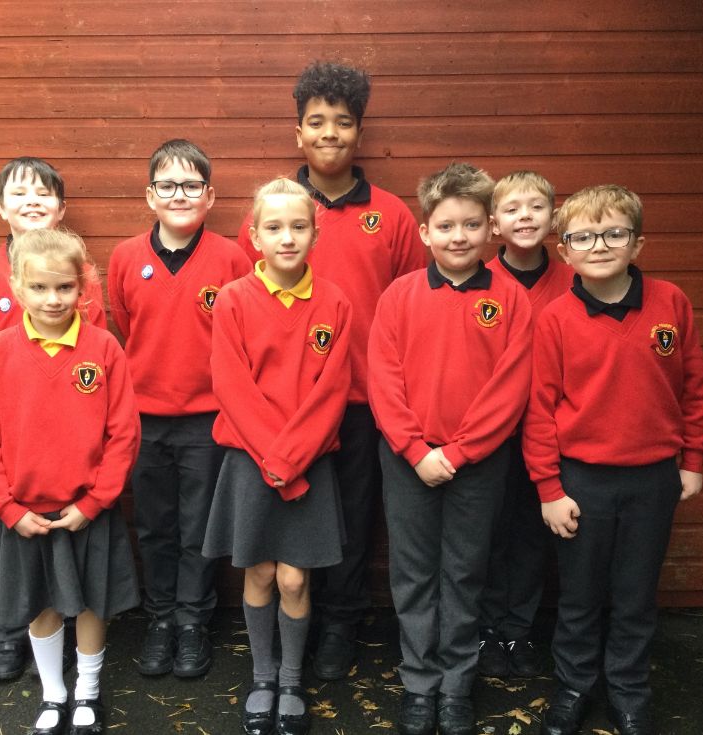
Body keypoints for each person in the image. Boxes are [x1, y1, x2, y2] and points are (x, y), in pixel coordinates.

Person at [237, 61, 426, 679]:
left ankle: (342, 622)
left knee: (348, 518)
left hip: (362, 401)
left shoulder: (392, 216)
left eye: (342, 122)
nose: (329, 133)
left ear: (359, 134)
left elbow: (410, 308)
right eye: (316, 122)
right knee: (290, 513)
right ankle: (298, 625)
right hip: (282, 408)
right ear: (298, 133)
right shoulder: (273, 213)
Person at [523, 185, 703, 735]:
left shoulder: (670, 303)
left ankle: (629, 690)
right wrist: (549, 490)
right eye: (583, 236)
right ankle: (574, 686)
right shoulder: (556, 318)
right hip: (582, 481)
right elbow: (540, 410)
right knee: (579, 596)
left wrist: (693, 459)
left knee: (635, 594)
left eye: (614, 233)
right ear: (565, 251)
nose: (600, 245)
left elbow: (695, 388)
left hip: (653, 479)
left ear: (637, 243)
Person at [368, 163, 533, 735]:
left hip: (478, 465)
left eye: (470, 225)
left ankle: (457, 684)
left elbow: (509, 390)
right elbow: (383, 380)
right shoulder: (399, 296)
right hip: (407, 461)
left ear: (491, 229)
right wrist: (416, 451)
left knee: (464, 572)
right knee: (413, 574)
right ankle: (419, 683)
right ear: (424, 232)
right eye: (445, 226)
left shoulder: (511, 299)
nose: (458, 237)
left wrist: (459, 453)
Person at [0, 228, 140, 735]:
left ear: (82, 287)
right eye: (39, 288)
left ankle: (87, 691)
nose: (53, 299)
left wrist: (96, 501)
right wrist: (7, 509)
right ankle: (53, 694)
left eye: (64, 287)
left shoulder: (103, 348)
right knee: (39, 605)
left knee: (91, 603)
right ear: (17, 288)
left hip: (86, 511)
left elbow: (124, 433)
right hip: (26, 515)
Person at [205, 178, 352, 735]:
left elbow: (331, 393)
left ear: (315, 234)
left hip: (307, 464)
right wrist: (274, 459)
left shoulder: (334, 302)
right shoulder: (234, 299)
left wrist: (290, 461)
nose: (286, 237)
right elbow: (232, 385)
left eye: (298, 226)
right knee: (261, 572)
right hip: (251, 460)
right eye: (274, 227)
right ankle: (262, 676)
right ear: (254, 236)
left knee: (294, 579)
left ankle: (291, 679)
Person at [0, 157, 105, 681]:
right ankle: (9, 632)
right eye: (19, 193)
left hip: (69, 442)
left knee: (70, 550)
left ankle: (71, 642)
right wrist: (3, 416)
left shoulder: (78, 271)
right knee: (10, 547)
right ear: (1, 208)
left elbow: (94, 351)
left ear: (61, 208)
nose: (31, 201)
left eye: (43, 193)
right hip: (12, 443)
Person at [108, 139, 252, 679]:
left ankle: (193, 621)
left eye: (191, 185)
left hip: (207, 421)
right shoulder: (125, 258)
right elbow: (128, 327)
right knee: (154, 526)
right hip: (144, 420)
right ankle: (161, 618)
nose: (179, 195)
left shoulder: (231, 259)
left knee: (198, 528)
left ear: (209, 196)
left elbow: (241, 337)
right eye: (167, 185)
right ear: (150, 195)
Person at [477, 171, 573, 679]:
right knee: (489, 534)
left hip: (551, 434)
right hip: (493, 434)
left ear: (553, 218)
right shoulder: (480, 279)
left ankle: (518, 630)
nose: (525, 217)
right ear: (494, 224)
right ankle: (487, 630)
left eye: (536, 207)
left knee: (533, 537)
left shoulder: (575, 280)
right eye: (512, 209)